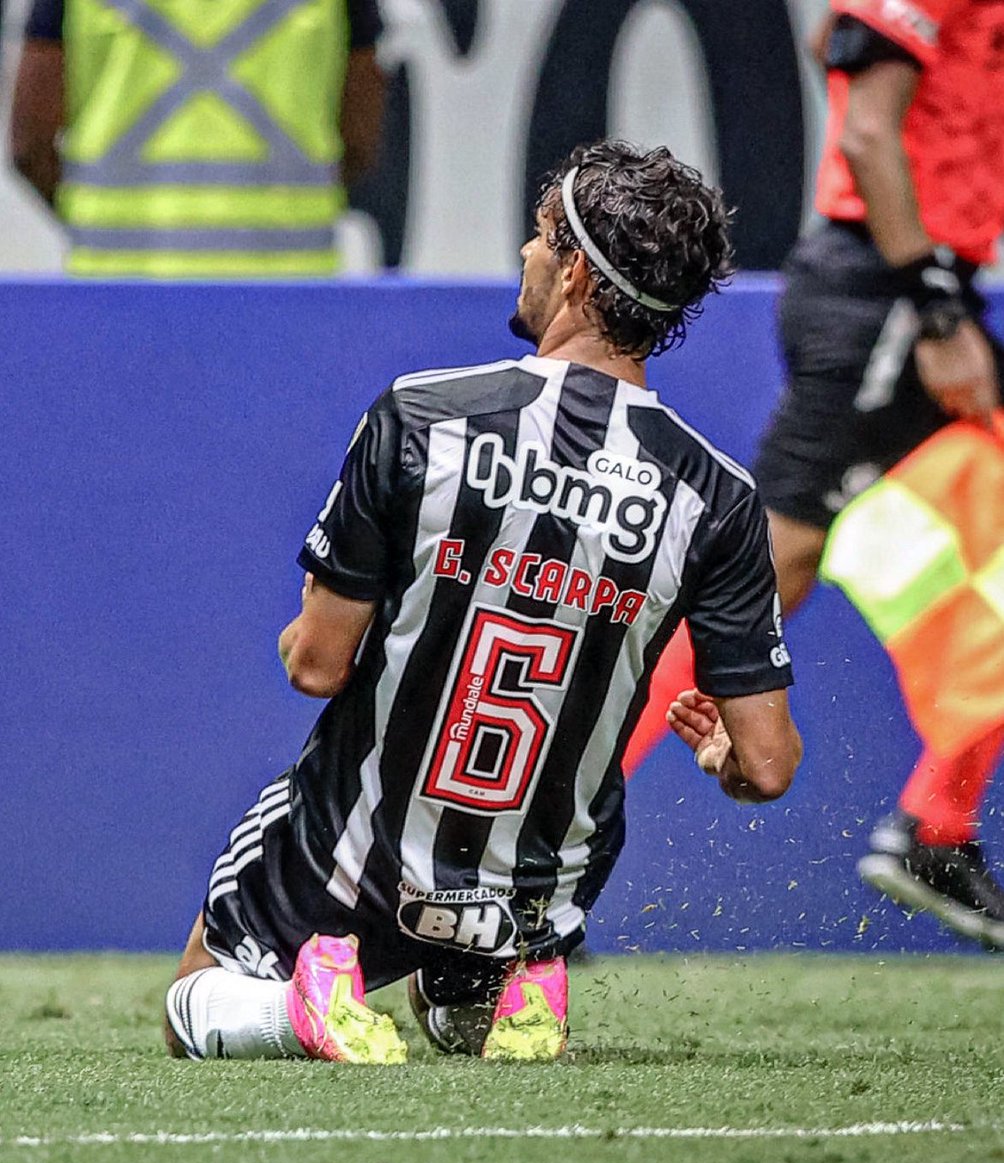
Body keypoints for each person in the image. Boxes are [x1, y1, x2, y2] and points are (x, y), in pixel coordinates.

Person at [163, 139, 802, 1066]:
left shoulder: (423, 415)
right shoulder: (719, 495)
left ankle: (309, 1007)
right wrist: (719, 756)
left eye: (543, 236)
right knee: (480, 964)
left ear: (578, 270)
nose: (525, 254)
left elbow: (315, 665)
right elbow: (769, 765)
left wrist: (306, 627)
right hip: (544, 875)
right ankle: (509, 985)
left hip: (367, 846)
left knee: (195, 999)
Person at [752, 1, 1004, 943]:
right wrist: (936, 313)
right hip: (888, 294)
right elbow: (864, 131)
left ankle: (937, 828)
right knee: (771, 569)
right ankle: (542, 796)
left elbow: (833, 40)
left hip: (918, 287)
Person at [9, 0, 384, 276]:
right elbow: (361, 137)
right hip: (288, 289)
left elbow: (31, 143)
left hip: (118, 288)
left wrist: (101, 218)